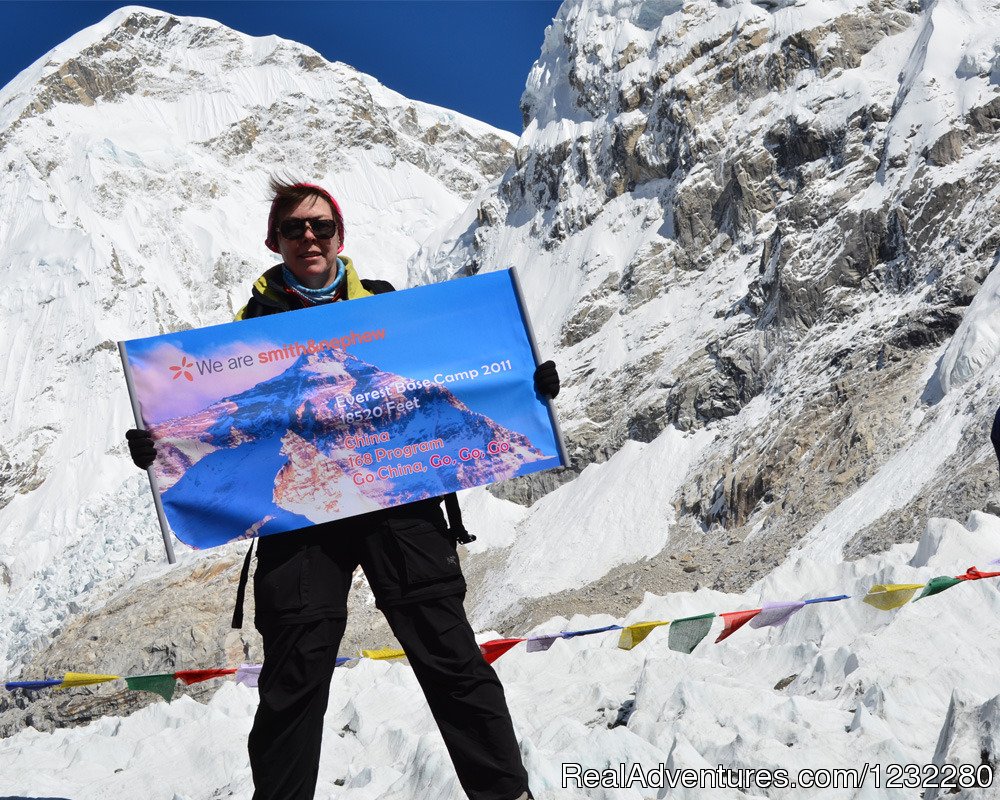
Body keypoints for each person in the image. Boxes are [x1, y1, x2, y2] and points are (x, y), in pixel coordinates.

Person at [126, 179, 559, 800]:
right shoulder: (240, 337)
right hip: (295, 516)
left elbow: (452, 377)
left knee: (451, 658)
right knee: (293, 680)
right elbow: (216, 418)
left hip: (399, 505)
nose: (310, 237)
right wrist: (158, 443)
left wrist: (528, 386)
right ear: (273, 241)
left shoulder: (386, 307)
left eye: (321, 227)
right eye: (296, 228)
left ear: (340, 237)